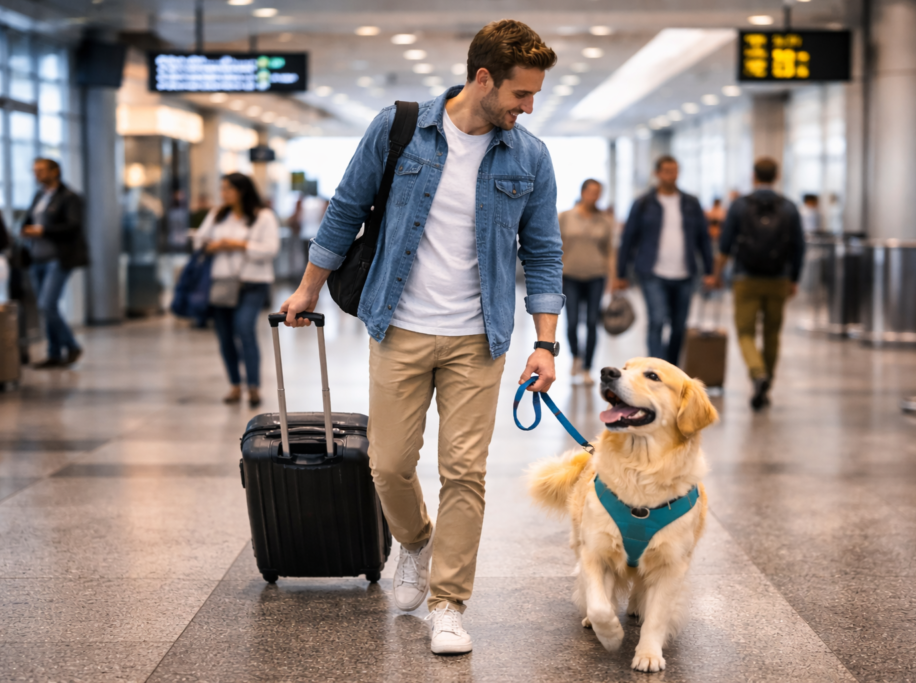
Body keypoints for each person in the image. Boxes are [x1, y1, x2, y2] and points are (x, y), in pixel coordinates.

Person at [278, 20, 561, 656]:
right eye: (521, 93)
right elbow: (345, 209)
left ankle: (449, 602)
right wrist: (307, 288)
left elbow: (543, 252)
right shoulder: (399, 128)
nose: (528, 107)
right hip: (399, 325)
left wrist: (545, 343)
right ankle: (415, 542)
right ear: (483, 78)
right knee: (389, 464)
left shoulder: (531, 156)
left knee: (465, 470)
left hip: (478, 337)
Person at [710, 157, 805, 410]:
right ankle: (766, 384)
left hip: (745, 278)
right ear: (777, 175)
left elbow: (725, 244)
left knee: (746, 332)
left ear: (753, 175)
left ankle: (756, 372)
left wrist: (717, 274)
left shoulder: (740, 206)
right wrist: (794, 278)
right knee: (772, 333)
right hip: (778, 279)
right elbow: (799, 246)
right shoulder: (789, 207)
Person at [614, 155, 713, 365]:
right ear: (657, 173)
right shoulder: (643, 203)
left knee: (679, 326)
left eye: (675, 171)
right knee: (657, 320)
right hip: (652, 272)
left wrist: (710, 271)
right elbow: (628, 239)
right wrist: (621, 273)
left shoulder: (691, 203)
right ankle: (657, 368)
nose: (672, 175)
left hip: (685, 273)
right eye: (667, 171)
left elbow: (703, 238)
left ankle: (672, 369)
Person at [193, 173, 280, 408]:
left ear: (242, 190)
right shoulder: (217, 215)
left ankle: (253, 386)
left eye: (228, 189)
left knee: (244, 328)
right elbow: (199, 242)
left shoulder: (263, 216)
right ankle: (234, 384)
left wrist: (238, 244)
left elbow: (270, 250)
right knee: (224, 336)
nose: (223, 194)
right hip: (221, 283)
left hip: (253, 282)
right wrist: (215, 246)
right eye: (222, 189)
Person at [19, 158, 89, 369]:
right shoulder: (39, 196)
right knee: (46, 307)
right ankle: (54, 353)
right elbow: (29, 220)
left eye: (40, 170)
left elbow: (74, 226)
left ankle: (72, 345)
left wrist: (43, 231)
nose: (37, 175)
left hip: (59, 258)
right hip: (36, 258)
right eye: (34, 171)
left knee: (46, 304)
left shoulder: (70, 197)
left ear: (55, 171)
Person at [559, 178, 614, 386]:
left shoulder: (605, 220)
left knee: (592, 322)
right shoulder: (565, 217)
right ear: (582, 192)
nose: (594, 196)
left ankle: (588, 367)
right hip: (570, 275)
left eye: (598, 192)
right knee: (572, 321)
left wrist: (613, 278)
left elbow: (610, 251)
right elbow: (556, 247)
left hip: (596, 276)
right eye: (591, 192)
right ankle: (575, 356)